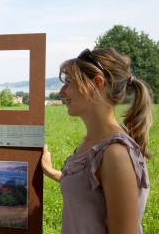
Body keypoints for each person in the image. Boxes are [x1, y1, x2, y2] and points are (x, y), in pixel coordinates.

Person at [41, 48, 152, 234]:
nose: (61, 92)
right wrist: (52, 172)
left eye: (68, 83)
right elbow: (90, 189)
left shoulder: (115, 153)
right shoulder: (94, 142)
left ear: (97, 84)